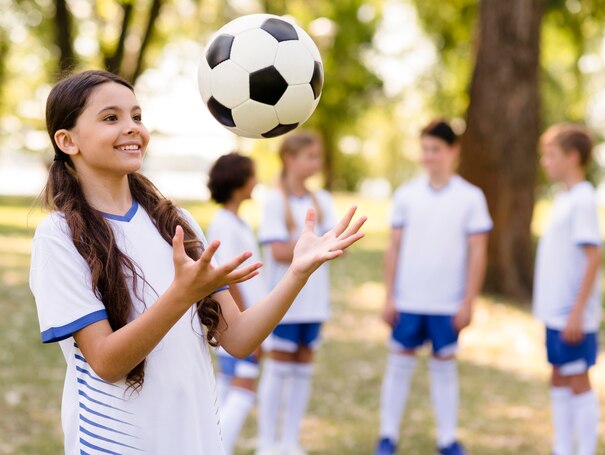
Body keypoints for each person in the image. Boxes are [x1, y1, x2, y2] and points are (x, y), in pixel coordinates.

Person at [29, 70, 366, 455]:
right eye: (111, 118)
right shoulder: (58, 237)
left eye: (137, 116)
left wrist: (297, 272)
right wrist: (181, 294)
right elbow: (107, 362)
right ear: (67, 140)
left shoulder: (177, 223)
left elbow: (237, 338)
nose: (132, 128)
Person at [375, 120, 492, 455]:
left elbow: (478, 251)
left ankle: (447, 439)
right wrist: (389, 295)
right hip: (408, 300)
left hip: (448, 303)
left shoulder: (471, 197)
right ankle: (387, 436)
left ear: (453, 151)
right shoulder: (407, 195)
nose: (429, 157)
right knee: (399, 365)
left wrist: (469, 301)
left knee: (444, 368)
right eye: (425, 149)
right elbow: (394, 247)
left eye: (436, 150)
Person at [256, 131, 337, 455]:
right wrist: (317, 246)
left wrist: (320, 247)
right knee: (278, 367)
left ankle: (290, 442)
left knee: (303, 368)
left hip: (315, 303)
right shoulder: (275, 200)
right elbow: (276, 251)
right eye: (310, 157)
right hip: (285, 303)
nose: (316, 163)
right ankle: (267, 443)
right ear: (290, 158)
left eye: (318, 157)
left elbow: (336, 245)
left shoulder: (323, 200)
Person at [534, 123, 603, 455]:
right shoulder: (565, 198)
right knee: (559, 377)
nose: (545, 161)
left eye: (551, 155)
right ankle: (563, 449)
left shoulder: (583, 200)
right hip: (555, 312)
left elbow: (594, 257)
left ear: (573, 157)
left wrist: (577, 312)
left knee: (577, 379)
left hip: (572, 315)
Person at [206, 152, 265, 454]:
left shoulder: (235, 221)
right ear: (238, 181)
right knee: (244, 386)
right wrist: (243, 324)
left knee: (228, 387)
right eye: (252, 175)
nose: (256, 181)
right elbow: (227, 278)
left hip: (243, 319)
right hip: (238, 321)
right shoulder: (225, 224)